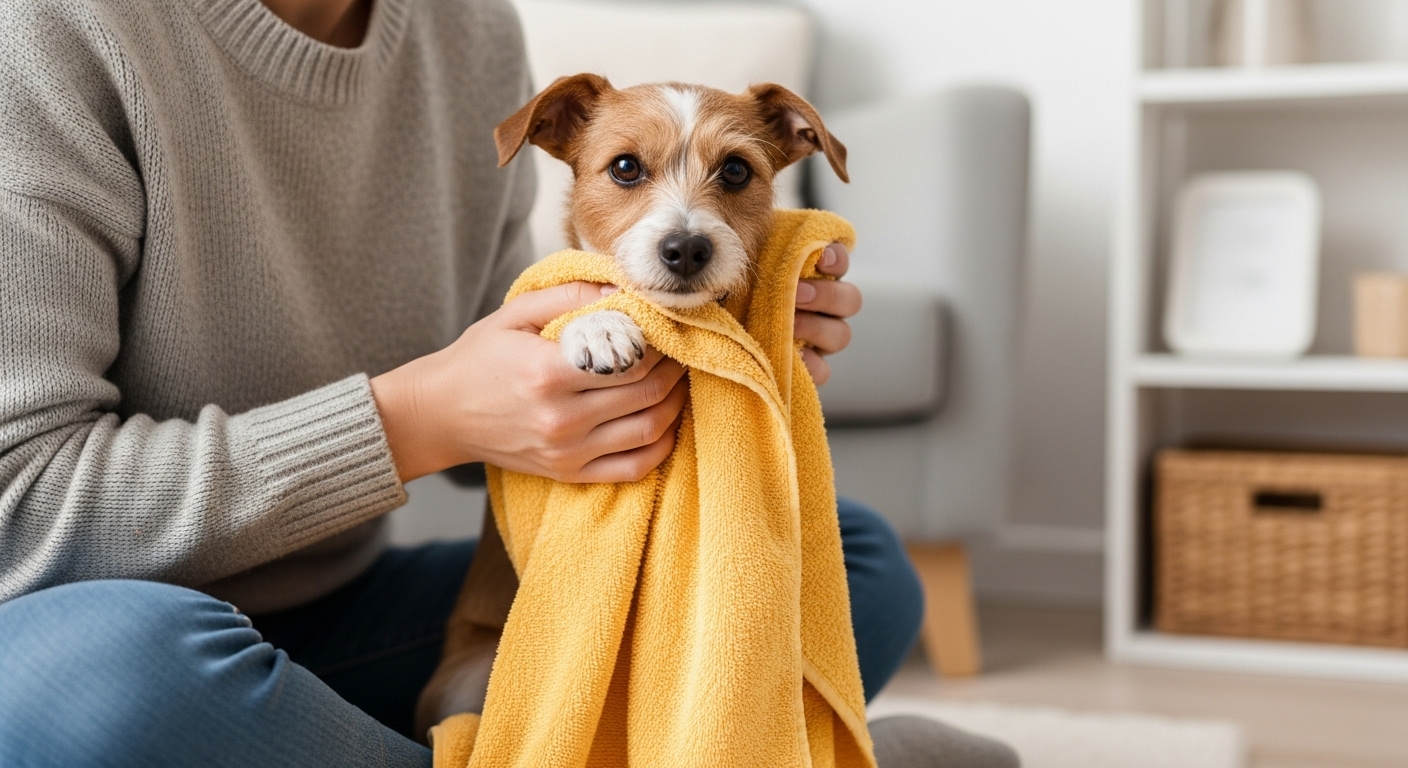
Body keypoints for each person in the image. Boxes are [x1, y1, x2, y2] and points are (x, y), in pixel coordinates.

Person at [0, 0, 977, 765]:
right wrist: (410, 420)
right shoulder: (51, 30)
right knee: (101, 683)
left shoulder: (467, 30)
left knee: (843, 558)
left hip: (344, 610)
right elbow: (19, 511)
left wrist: (704, 373)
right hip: (94, 624)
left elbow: (511, 408)